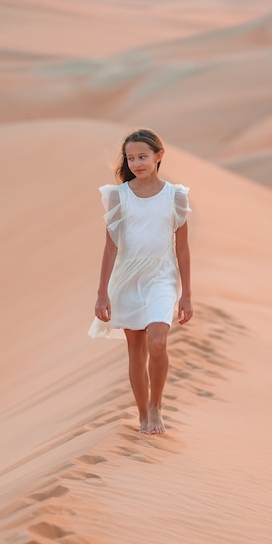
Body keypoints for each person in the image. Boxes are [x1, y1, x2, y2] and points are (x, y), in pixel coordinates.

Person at [88, 129, 193, 434]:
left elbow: (183, 247)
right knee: (136, 348)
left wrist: (187, 294)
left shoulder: (176, 195)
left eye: (142, 156)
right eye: (131, 158)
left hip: (162, 276)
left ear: (159, 156)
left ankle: (157, 407)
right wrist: (102, 294)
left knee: (158, 341)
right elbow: (111, 247)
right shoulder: (118, 196)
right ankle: (143, 414)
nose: (136, 163)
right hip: (127, 277)